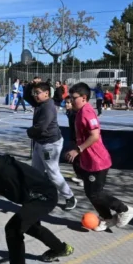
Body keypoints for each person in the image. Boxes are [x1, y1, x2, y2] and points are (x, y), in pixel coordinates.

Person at [65, 82, 133, 232]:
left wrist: (78, 150)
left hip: (98, 161)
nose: (71, 100)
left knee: (95, 193)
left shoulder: (87, 112)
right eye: (69, 97)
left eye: (74, 98)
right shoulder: (79, 112)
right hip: (88, 161)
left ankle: (124, 210)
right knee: (91, 193)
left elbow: (95, 136)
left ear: (84, 98)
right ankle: (108, 218)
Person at [28, 82, 77, 210]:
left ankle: (69, 197)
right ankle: (38, 192)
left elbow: (42, 127)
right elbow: (27, 97)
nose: (35, 96)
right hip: (40, 142)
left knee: (53, 173)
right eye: (34, 93)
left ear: (46, 93)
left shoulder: (48, 107)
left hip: (50, 144)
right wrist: (29, 86)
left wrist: (30, 132)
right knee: (36, 170)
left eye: (37, 93)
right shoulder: (40, 102)